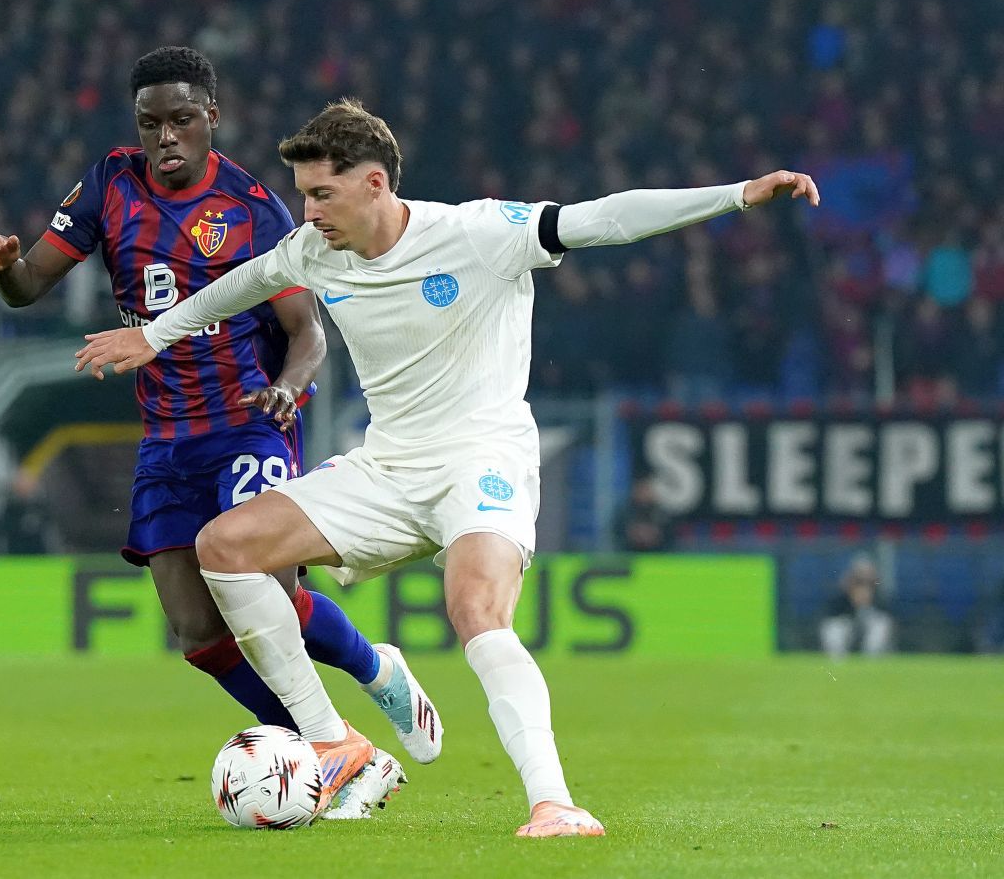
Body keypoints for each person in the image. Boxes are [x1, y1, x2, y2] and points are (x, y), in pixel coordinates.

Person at [74, 98, 821, 837]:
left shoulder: (478, 232)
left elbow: (607, 217)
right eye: (302, 193)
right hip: (388, 463)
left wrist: (738, 194)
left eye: (321, 192)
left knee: (477, 612)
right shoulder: (313, 248)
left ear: (374, 184)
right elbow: (245, 282)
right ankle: (332, 741)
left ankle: (553, 801)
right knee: (223, 547)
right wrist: (157, 336)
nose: (306, 210)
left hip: (481, 455)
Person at [0, 51, 441, 810]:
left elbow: (307, 332)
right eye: (150, 122)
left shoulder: (254, 208)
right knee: (198, 633)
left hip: (246, 426)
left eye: (181, 119)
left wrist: (288, 391)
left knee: (268, 594)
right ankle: (333, 740)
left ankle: (365, 687)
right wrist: (8, 267)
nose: (165, 136)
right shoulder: (109, 183)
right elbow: (27, 289)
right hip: (166, 438)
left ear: (211, 118)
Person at [819, 555, 893, 658]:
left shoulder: (878, 595)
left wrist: (867, 604)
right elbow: (831, 615)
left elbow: (887, 615)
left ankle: (871, 661)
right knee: (834, 628)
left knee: (881, 626)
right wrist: (852, 602)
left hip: (868, 624)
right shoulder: (842, 596)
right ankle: (837, 662)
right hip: (848, 625)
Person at [613, 473, 672, 553]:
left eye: (646, 489)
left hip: (658, 555)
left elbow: (670, 535)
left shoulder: (661, 512)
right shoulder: (625, 511)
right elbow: (616, 533)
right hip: (630, 553)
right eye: (640, 489)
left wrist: (655, 535)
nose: (643, 493)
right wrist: (632, 534)